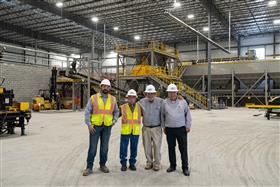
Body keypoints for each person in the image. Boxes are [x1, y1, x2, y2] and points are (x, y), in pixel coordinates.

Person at [83, 79, 119, 176]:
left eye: (107, 86)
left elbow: (116, 111)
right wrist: (89, 125)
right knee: (93, 148)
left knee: (104, 147)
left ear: (109, 88)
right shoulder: (93, 98)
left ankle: (102, 165)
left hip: (107, 127)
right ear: (100, 87)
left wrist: (114, 121)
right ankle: (89, 167)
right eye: (103, 86)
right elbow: (87, 111)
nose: (105, 88)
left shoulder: (113, 99)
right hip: (95, 127)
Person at [161, 83, 192, 176]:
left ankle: (185, 167)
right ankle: (173, 166)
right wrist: (164, 126)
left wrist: (188, 125)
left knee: (183, 148)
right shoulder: (164, 102)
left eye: (173, 92)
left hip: (181, 129)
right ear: (168, 93)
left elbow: (188, 114)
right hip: (169, 129)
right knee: (171, 148)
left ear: (176, 92)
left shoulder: (183, 102)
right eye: (170, 92)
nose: (172, 94)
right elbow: (162, 115)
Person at [139, 85, 163, 171]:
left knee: (157, 146)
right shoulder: (141, 102)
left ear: (155, 93)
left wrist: (180, 97)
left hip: (157, 128)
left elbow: (169, 102)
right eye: (148, 94)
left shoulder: (161, 102)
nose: (150, 95)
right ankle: (149, 162)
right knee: (147, 146)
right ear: (145, 94)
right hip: (146, 128)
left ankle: (157, 163)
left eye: (152, 93)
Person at [119, 89, 142, 171]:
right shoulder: (123, 107)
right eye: (130, 97)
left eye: (133, 97)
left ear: (136, 98)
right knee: (123, 148)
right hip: (125, 131)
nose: (131, 99)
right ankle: (123, 164)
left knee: (134, 148)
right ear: (127, 98)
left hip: (135, 131)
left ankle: (132, 163)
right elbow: (114, 114)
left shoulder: (140, 107)